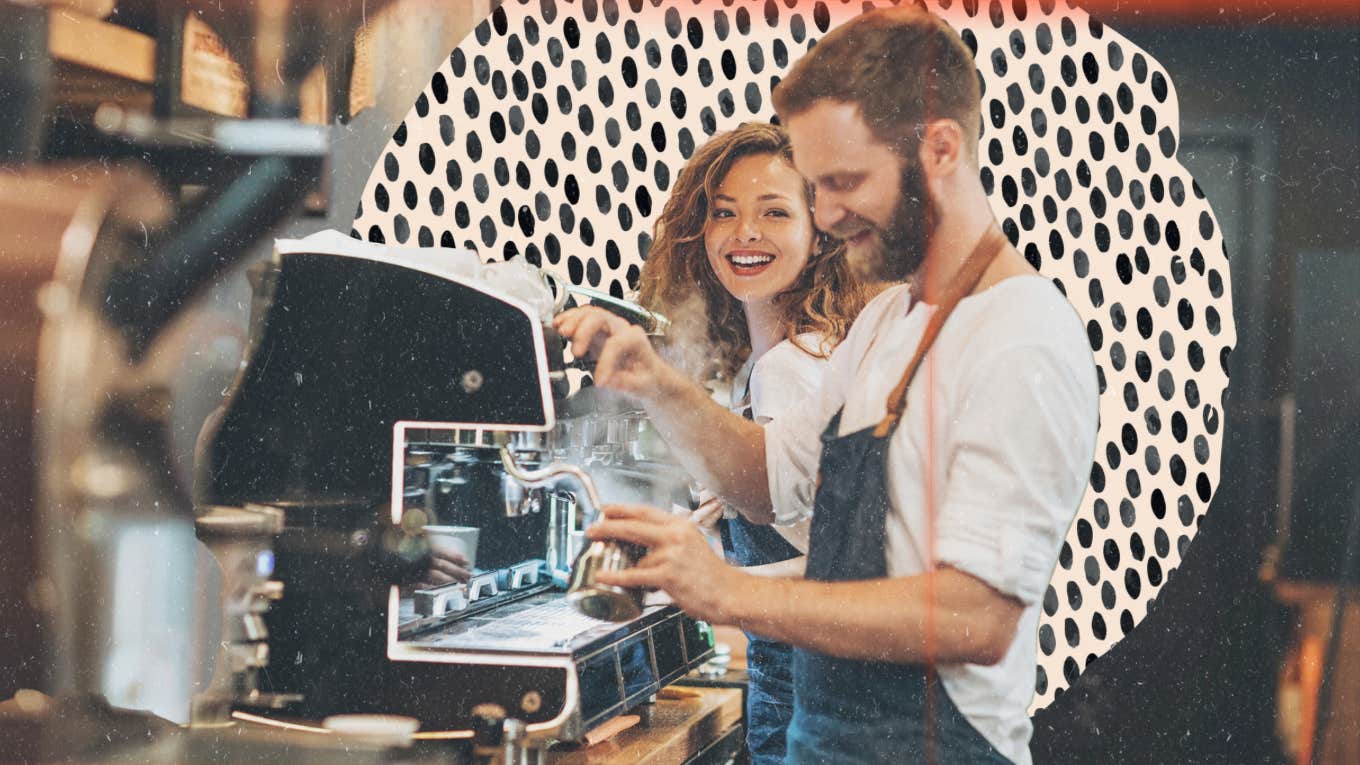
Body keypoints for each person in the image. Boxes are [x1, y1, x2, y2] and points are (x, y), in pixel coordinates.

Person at [554, 7, 1098, 764]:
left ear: (941, 148)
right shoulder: (888, 324)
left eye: (845, 182)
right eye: (817, 187)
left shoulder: (1020, 334)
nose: (829, 215)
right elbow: (771, 483)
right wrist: (654, 379)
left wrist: (730, 592)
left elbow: (975, 615)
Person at [636, 121, 870, 764]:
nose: (745, 233)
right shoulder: (765, 365)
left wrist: (705, 583)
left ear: (819, 230)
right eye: (723, 213)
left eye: (774, 212)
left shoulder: (791, 369)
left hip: (823, 716)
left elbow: (859, 568)